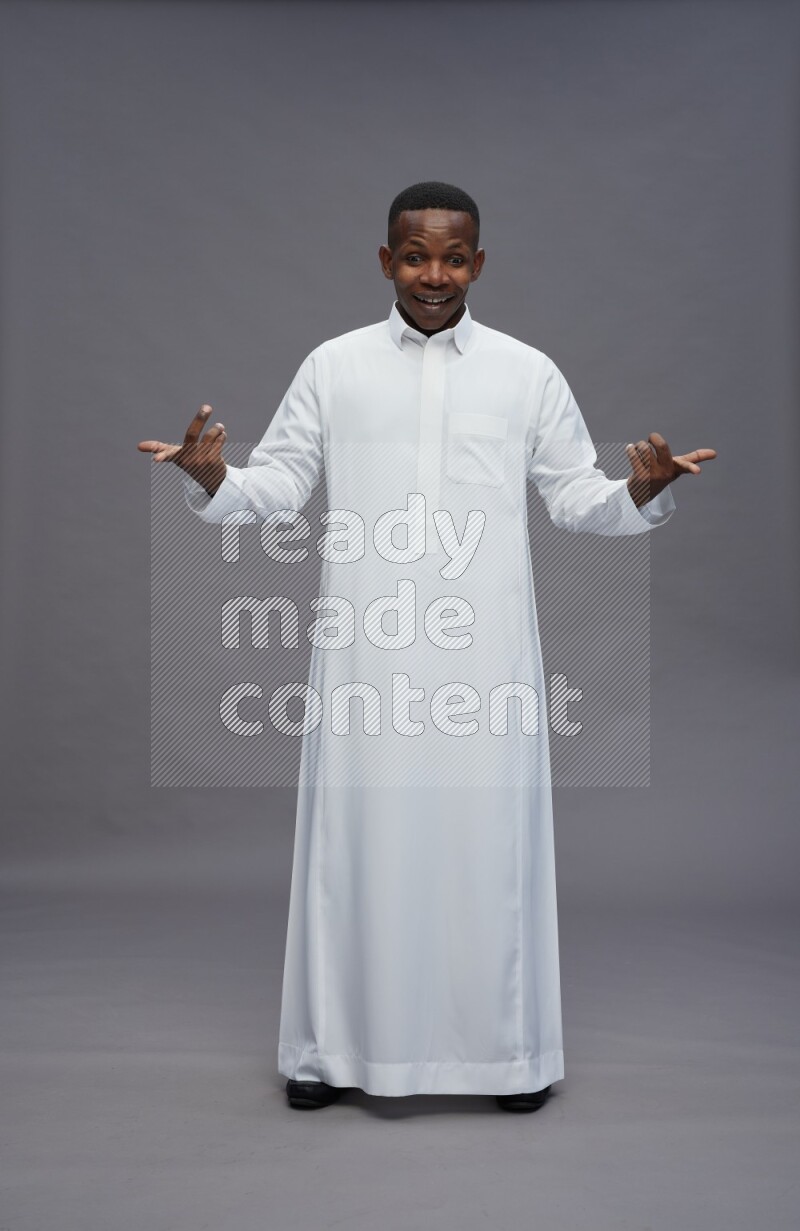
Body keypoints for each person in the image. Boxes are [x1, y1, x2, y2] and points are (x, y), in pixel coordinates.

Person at [139, 182, 716, 1113]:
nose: (435, 274)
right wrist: (214, 480)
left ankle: (506, 1057)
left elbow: (575, 498)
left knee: (487, 849)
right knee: (353, 846)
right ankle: (330, 1050)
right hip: (365, 653)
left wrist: (640, 494)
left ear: (479, 264)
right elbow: (281, 485)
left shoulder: (527, 373)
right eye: (415, 255)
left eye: (453, 257)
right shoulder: (333, 366)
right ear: (385, 261)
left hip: (486, 658)